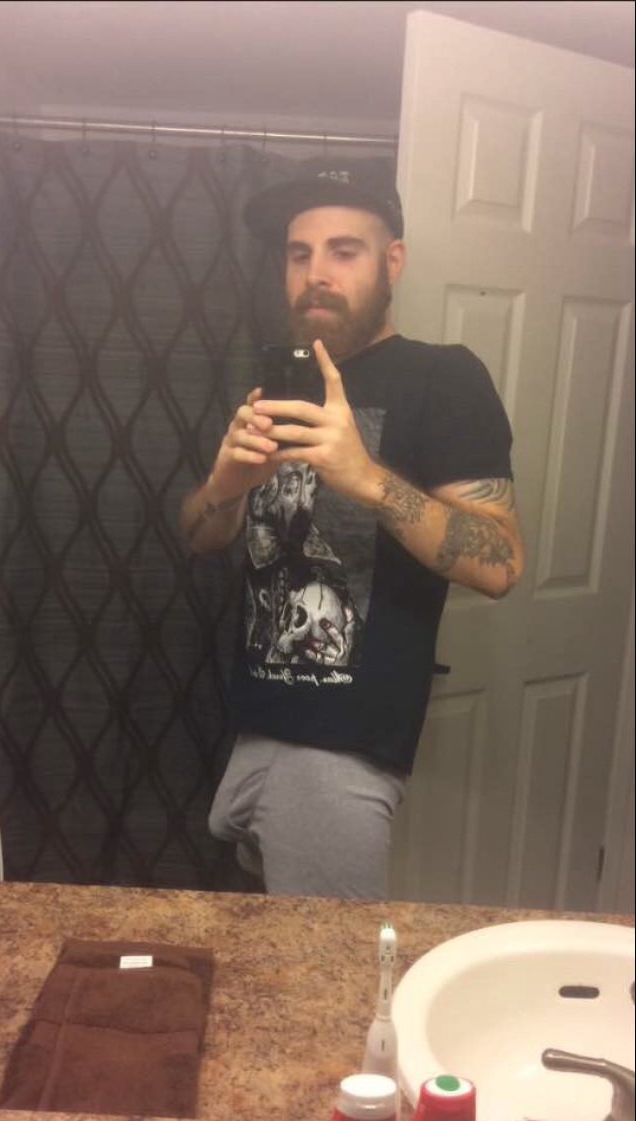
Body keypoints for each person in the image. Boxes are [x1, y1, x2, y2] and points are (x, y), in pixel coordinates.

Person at [181, 159, 524, 900]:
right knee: (263, 952)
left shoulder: (444, 378)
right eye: (299, 254)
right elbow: (200, 536)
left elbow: (500, 561)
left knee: (320, 963)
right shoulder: (277, 382)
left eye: (344, 251)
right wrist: (224, 491)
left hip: (341, 752)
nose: (316, 274)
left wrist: (364, 477)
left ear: (391, 261)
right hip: (253, 727)